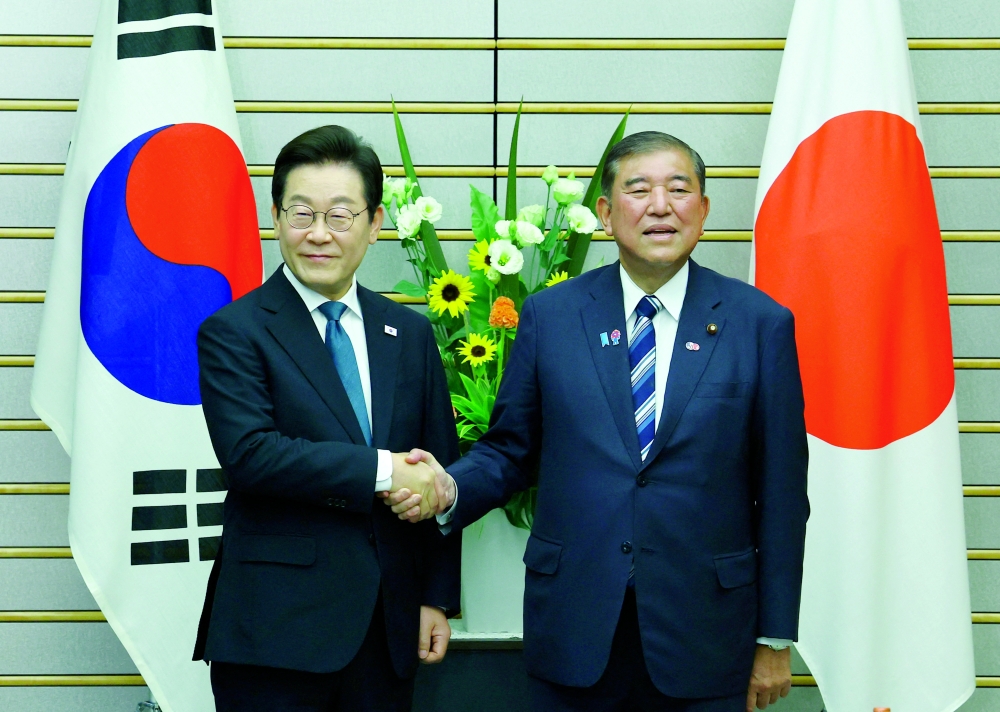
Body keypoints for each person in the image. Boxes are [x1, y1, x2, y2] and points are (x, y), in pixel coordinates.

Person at [390, 131, 810, 712]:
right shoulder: (553, 315)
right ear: (607, 215)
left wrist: (774, 637)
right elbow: (510, 449)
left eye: (678, 189)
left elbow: (782, 493)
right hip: (575, 625)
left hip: (707, 635)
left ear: (704, 209)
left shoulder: (759, 323)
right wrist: (448, 487)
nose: (660, 206)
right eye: (639, 190)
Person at [192, 125, 460, 712]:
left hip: (388, 627)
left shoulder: (409, 333)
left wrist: (435, 596)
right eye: (301, 213)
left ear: (375, 222)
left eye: (340, 215)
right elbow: (252, 455)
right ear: (275, 217)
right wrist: (386, 470)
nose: (318, 233)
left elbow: (438, 464)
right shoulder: (234, 331)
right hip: (275, 633)